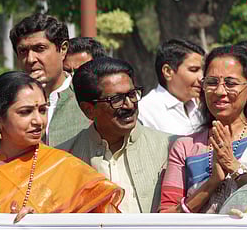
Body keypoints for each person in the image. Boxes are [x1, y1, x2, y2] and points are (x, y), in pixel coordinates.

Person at [0, 72, 123, 227]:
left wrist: (45, 226)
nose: (38, 121)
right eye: (25, 112)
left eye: (42, 110)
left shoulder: (64, 166)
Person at [160, 45, 247, 213]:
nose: (220, 91)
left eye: (230, 83)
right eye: (212, 82)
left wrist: (232, 165)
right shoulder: (185, 148)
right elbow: (165, 215)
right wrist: (212, 182)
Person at [60, 57, 177, 213]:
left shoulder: (170, 148)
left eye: (132, 94)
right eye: (116, 99)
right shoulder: (64, 159)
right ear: (88, 109)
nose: (129, 105)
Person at [10, 13, 89, 147]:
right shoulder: (9, 103)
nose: (30, 59)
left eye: (40, 49)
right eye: (23, 51)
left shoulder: (87, 97)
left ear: (63, 49)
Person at [138, 38, 206, 136]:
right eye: (194, 70)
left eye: (204, 70)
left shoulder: (202, 106)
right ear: (168, 72)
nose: (202, 78)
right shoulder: (144, 112)